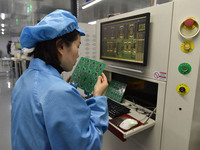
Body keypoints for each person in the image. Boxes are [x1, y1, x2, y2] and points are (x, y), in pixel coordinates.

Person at [11, 9, 109, 150]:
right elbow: (88, 145)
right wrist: (98, 98)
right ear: (61, 46)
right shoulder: (58, 92)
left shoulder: (25, 79)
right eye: (77, 46)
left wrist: (65, 90)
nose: (78, 54)